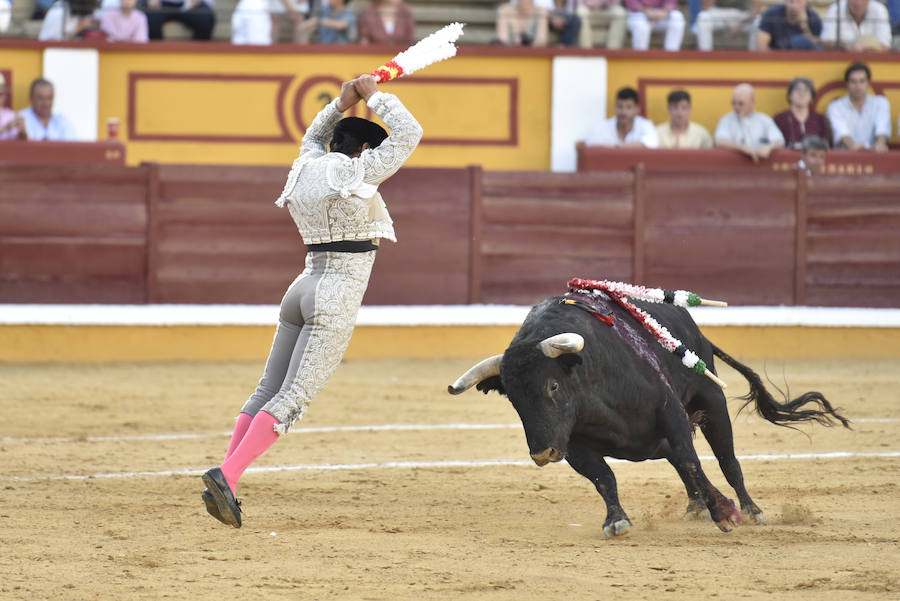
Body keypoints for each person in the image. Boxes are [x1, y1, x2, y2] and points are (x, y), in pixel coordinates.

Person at [200, 74, 423, 528]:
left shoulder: (305, 164)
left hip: (301, 286)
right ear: (362, 151)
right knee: (293, 397)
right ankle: (227, 474)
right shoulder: (357, 174)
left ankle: (228, 479)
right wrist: (375, 96)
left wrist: (341, 103)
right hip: (335, 295)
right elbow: (410, 133)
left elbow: (312, 137)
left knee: (267, 389)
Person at [825, 61, 891, 151]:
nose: (858, 86)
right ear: (847, 84)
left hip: (875, 156)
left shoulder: (880, 103)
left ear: (868, 83)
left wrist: (880, 145)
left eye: (862, 81)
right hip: (845, 159)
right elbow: (843, 135)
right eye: (853, 81)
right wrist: (855, 147)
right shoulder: (835, 107)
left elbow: (882, 130)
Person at [714, 83, 785, 161]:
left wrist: (769, 147)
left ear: (752, 103)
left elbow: (779, 141)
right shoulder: (727, 120)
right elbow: (720, 141)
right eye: (733, 103)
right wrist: (744, 148)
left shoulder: (764, 120)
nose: (736, 107)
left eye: (741, 103)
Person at [585, 86, 659, 148]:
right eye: (620, 107)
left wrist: (614, 147)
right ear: (615, 107)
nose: (624, 112)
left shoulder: (645, 125)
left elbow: (651, 143)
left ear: (637, 109)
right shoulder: (603, 127)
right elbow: (590, 145)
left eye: (629, 107)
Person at [773, 77, 831, 149]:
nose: (801, 94)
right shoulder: (780, 119)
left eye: (806, 90)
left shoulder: (820, 119)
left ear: (811, 97)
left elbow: (826, 145)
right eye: (797, 90)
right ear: (789, 95)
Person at [821, 0, 891, 51]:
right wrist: (847, 47)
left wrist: (866, 48)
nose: (858, 2)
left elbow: (885, 46)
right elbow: (826, 42)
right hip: (841, 60)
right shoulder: (835, 9)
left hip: (873, 61)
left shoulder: (880, 10)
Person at [755, 0, 822, 50]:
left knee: (801, 41)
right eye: (791, 1)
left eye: (799, 1)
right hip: (776, 60)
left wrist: (804, 26)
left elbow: (816, 48)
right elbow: (761, 47)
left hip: (803, 62)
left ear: (806, 2)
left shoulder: (814, 18)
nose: (794, 5)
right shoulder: (772, 14)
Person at [144, 0, 215, 40]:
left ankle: (198, 53)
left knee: (205, 17)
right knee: (151, 18)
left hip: (192, 4)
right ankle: (157, 54)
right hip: (162, 4)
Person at [0, 74, 27, 141]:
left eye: (0, 94)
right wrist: (6, 127)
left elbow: (21, 143)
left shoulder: (11, 115)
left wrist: (22, 132)